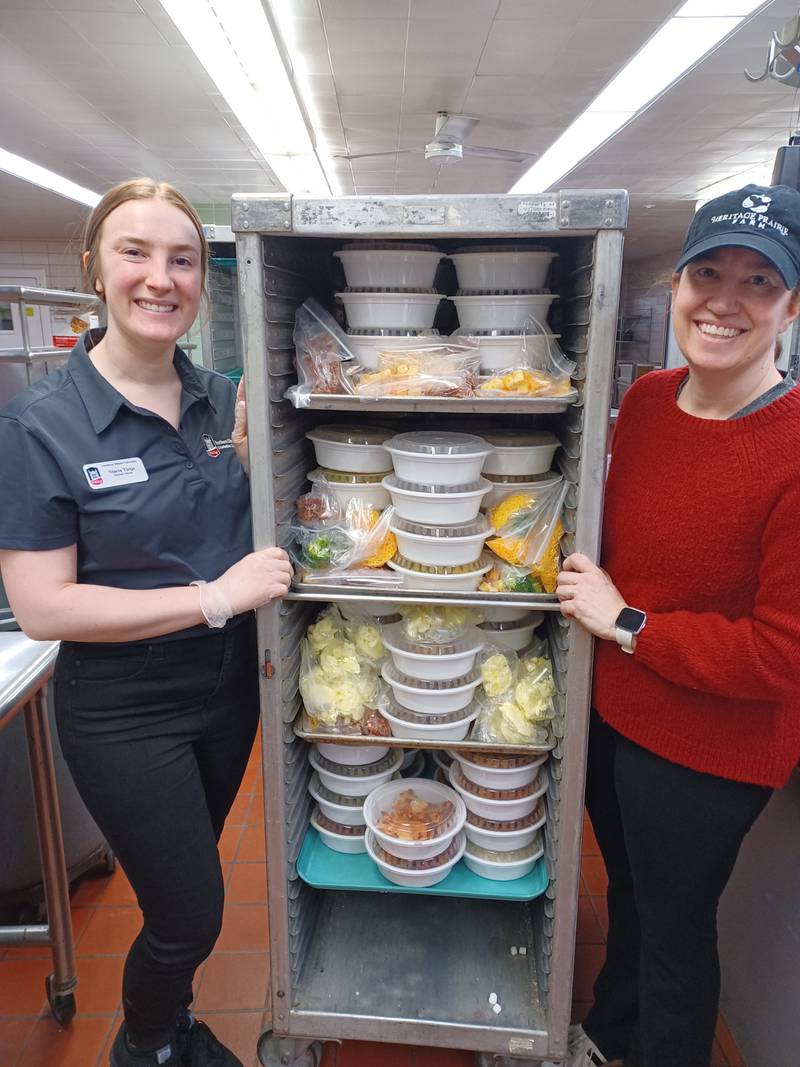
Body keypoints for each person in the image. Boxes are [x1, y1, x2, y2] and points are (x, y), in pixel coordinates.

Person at [0, 178, 293, 1067]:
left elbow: (230, 524)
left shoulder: (216, 398)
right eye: (136, 252)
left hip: (225, 691)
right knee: (190, 910)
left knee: (185, 879)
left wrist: (255, 471)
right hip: (124, 708)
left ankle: (172, 1025)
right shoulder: (41, 423)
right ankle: (148, 1045)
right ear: (95, 267)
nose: (160, 278)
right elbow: (45, 604)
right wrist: (212, 598)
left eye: (182, 259)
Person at [553, 183, 800, 1067]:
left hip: (709, 749)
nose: (725, 300)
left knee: (677, 933)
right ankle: (609, 1035)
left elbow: (782, 656)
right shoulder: (651, 402)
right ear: (680, 285)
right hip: (617, 716)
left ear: (791, 305)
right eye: (709, 271)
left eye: (760, 281)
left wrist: (626, 622)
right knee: (630, 896)